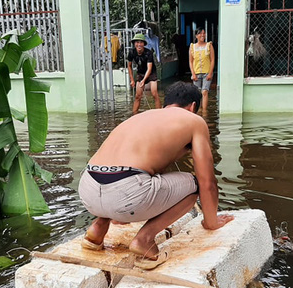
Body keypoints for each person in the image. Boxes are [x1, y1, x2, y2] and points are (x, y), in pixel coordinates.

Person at [78, 82, 234, 270]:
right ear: (193, 106)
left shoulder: (141, 117)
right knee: (194, 184)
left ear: (166, 103)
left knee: (132, 178)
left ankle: (97, 228)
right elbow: (207, 182)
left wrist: (118, 215)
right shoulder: (194, 121)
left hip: (88, 189)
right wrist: (211, 222)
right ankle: (144, 240)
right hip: (125, 193)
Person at [127, 33, 160, 115]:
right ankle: (134, 114)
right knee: (138, 96)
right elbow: (129, 66)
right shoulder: (131, 52)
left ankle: (159, 113)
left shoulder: (148, 53)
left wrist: (144, 80)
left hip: (151, 73)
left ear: (144, 44)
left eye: (141, 42)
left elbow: (149, 68)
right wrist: (132, 80)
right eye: (137, 42)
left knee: (154, 93)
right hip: (140, 73)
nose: (139, 45)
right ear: (134, 43)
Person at [188, 28, 215, 116]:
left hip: (206, 72)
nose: (202, 35)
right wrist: (193, 74)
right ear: (196, 36)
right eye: (200, 33)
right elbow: (191, 61)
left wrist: (210, 73)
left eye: (204, 33)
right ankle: (198, 111)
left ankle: (204, 112)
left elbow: (212, 60)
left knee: (204, 92)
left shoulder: (209, 45)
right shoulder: (192, 47)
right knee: (197, 93)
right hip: (196, 73)